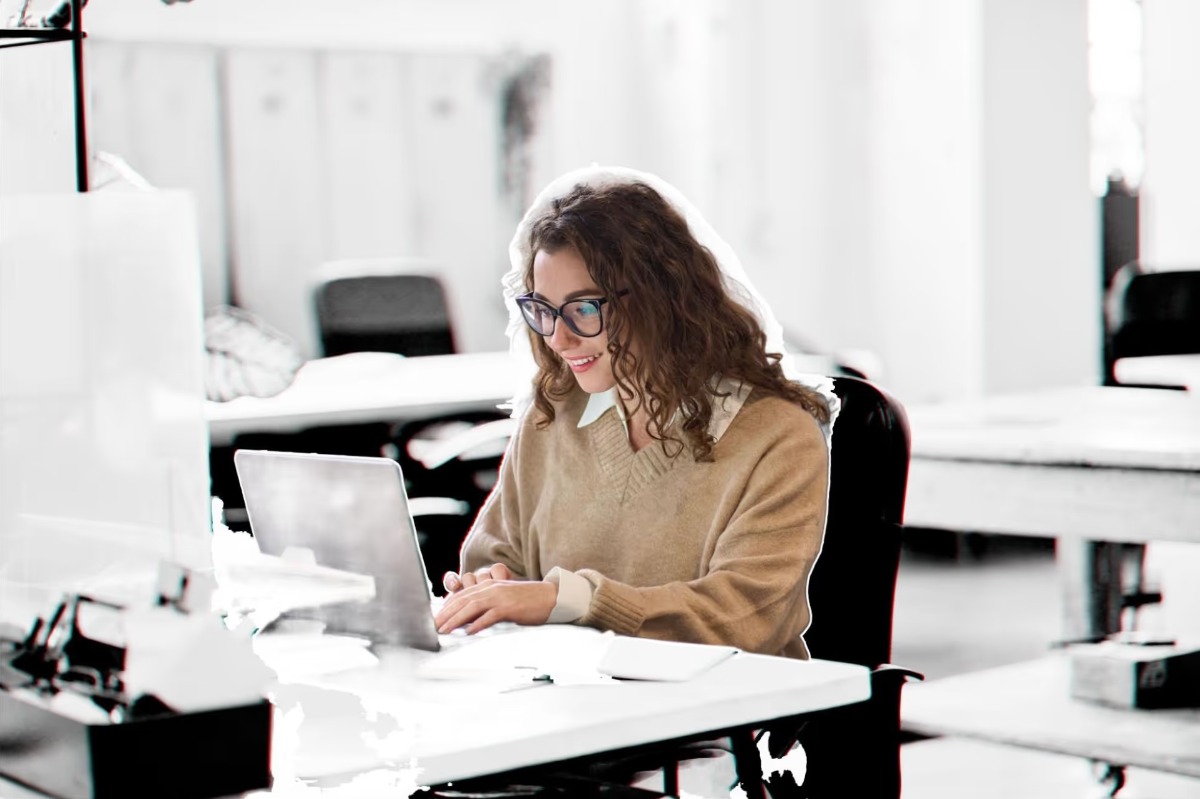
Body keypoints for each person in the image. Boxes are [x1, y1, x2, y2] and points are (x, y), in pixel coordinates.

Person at [434, 165, 838, 659]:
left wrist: (569, 600)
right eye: (543, 309)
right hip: (564, 697)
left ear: (661, 299)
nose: (558, 339)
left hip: (708, 717)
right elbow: (496, 556)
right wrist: (489, 586)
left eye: (584, 308)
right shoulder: (553, 414)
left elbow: (746, 616)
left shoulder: (776, 435)